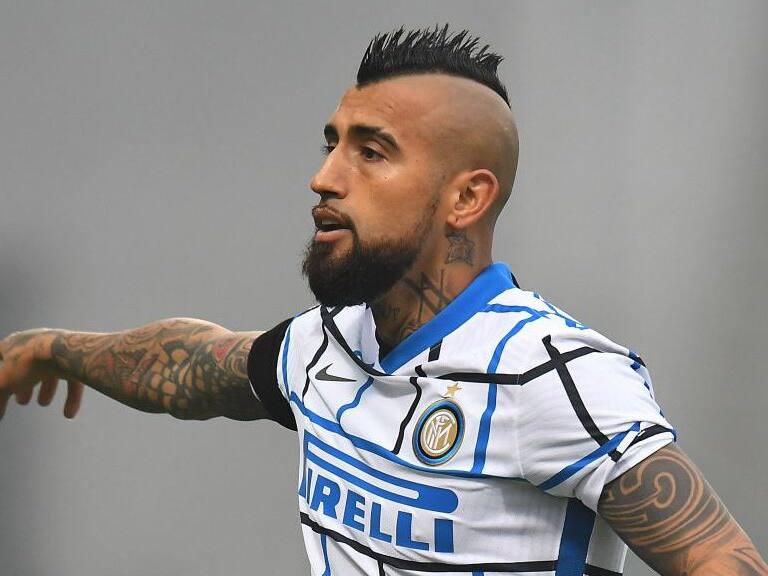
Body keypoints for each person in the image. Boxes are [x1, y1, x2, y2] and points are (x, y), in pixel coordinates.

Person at [0, 25, 765, 576]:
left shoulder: (552, 377)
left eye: (371, 152)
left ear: (466, 197)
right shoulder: (323, 348)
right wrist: (51, 349)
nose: (326, 177)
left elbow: (719, 560)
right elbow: (193, 366)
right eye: (331, 143)